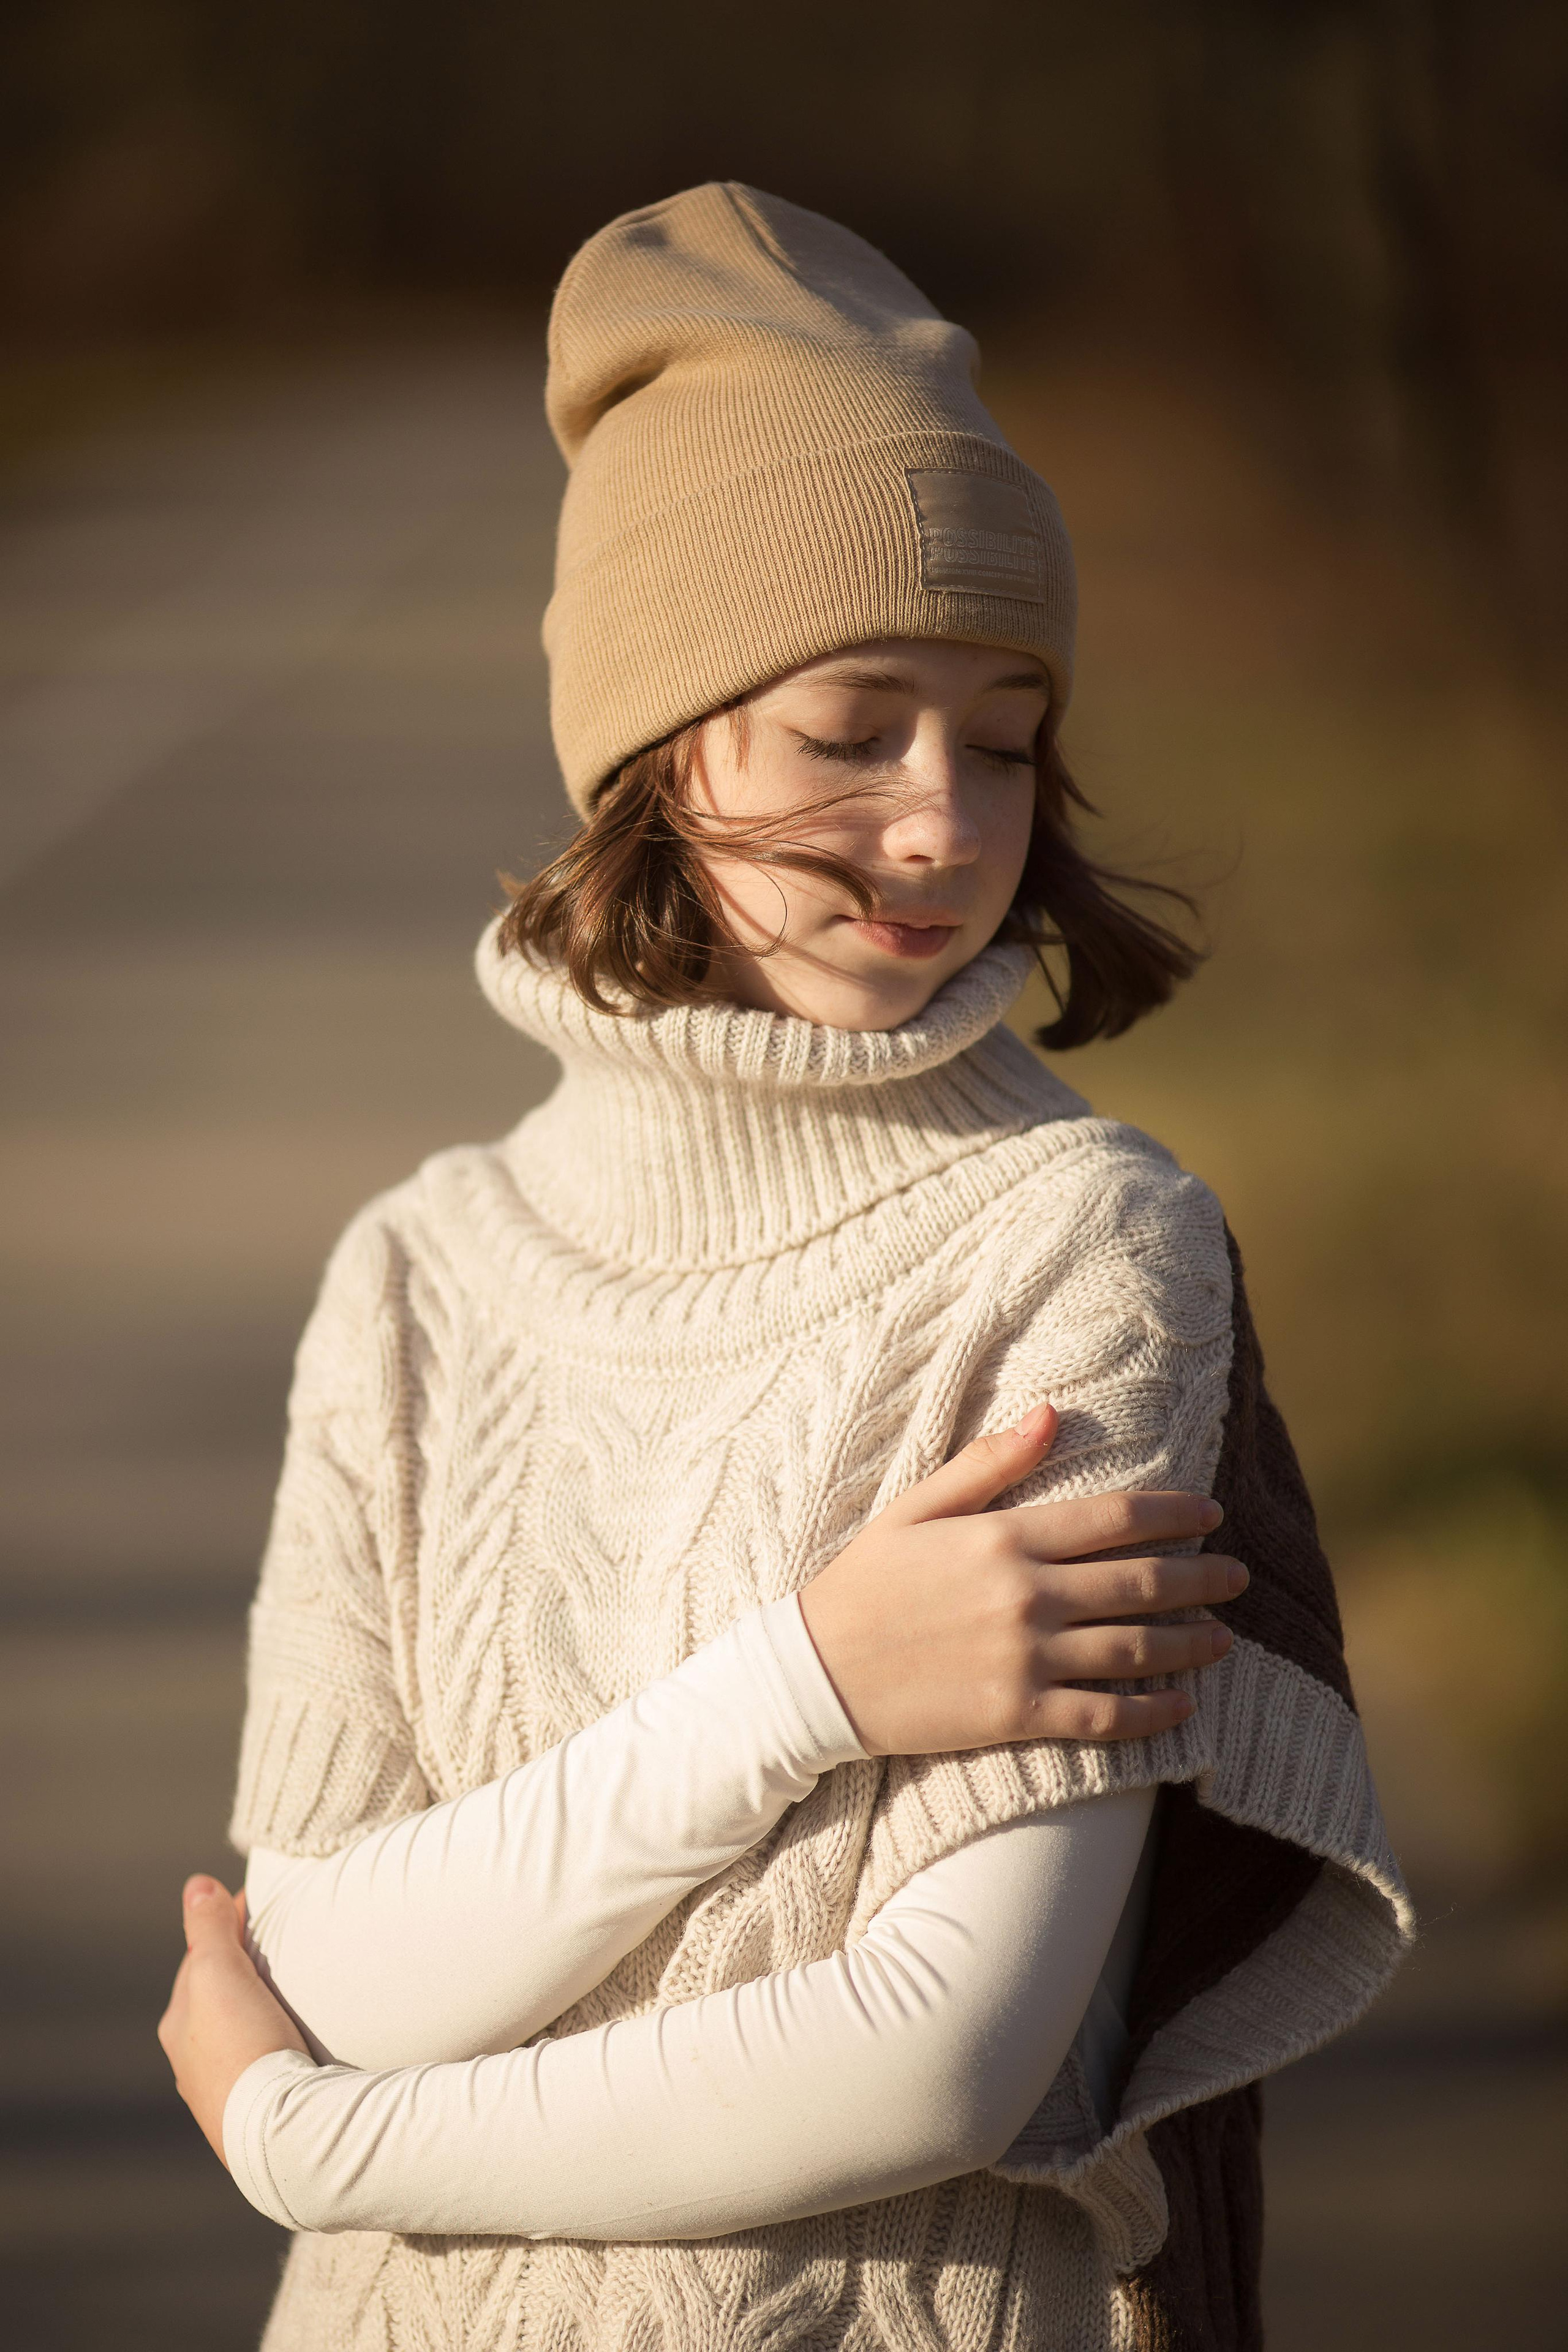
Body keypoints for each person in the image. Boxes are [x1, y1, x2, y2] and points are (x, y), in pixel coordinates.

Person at [157, 184, 1411, 2352]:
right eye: (855, 727)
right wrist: (808, 1684)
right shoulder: (419, 1269)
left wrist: (309, 2142)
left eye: (1004, 737)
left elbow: (946, 2051)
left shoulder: (1082, 1243)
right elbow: (330, 1955)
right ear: (661, 747)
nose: (945, 823)